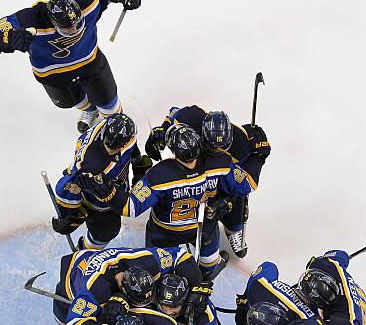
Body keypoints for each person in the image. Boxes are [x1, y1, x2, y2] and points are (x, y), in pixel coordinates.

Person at [0, 0, 141, 132]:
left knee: (107, 97)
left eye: (78, 25)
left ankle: (114, 122)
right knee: (72, 100)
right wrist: (9, 39)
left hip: (89, 62)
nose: (74, 31)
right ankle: (91, 110)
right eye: (68, 30)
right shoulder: (31, 19)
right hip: (53, 74)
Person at [108, 124, 255, 277]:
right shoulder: (218, 163)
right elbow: (245, 186)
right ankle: (204, 278)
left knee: (159, 272)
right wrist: (258, 157)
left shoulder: (159, 174)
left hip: (164, 232)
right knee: (208, 268)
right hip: (203, 228)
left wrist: (108, 190)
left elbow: (129, 208)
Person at [145, 106, 271, 257]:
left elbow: (244, 183)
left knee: (235, 198)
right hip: (194, 170)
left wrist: (258, 158)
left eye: (222, 146)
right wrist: (163, 130)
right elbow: (173, 115)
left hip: (221, 180)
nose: (216, 150)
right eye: (211, 145)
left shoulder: (241, 146)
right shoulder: (189, 118)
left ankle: (233, 228)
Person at [53, 246, 208, 325]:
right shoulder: (97, 289)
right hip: (72, 277)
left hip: (107, 263)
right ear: (123, 290)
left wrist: (197, 285)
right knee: (81, 324)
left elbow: (180, 254)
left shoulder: (150, 263)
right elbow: (74, 323)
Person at [52, 113, 152, 249]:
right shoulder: (89, 166)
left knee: (108, 230)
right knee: (106, 232)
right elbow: (68, 184)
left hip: (113, 187)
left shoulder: (116, 130)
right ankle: (84, 252)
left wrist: (138, 163)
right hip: (99, 204)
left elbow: (131, 148)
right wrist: (71, 216)